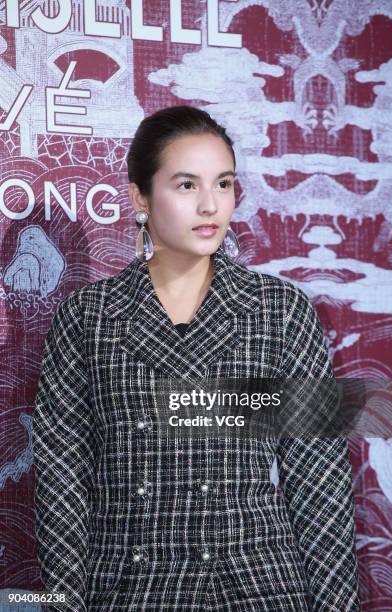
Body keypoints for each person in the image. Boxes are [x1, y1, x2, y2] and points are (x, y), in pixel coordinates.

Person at [32, 105, 361, 611]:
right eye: (186, 185)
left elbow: (320, 483)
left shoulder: (280, 311)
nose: (210, 205)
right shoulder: (87, 318)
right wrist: (62, 606)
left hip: (259, 585)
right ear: (139, 196)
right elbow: (61, 485)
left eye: (224, 184)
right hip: (127, 586)